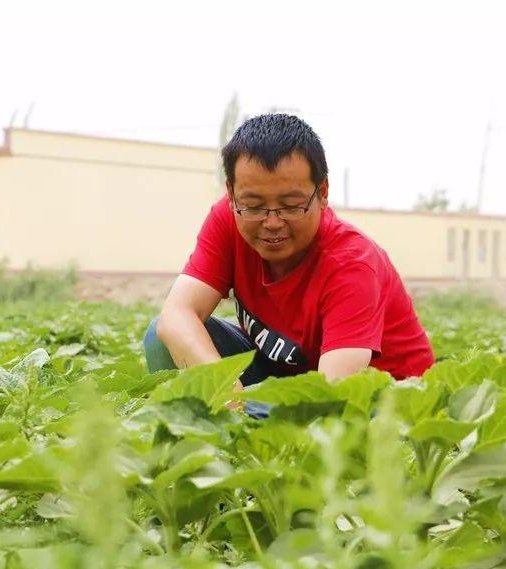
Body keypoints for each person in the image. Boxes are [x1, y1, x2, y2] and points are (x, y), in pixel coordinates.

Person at [144, 113, 434, 405]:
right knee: (161, 337)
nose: (272, 222)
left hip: (384, 400)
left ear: (322, 192)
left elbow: (331, 399)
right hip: (288, 376)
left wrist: (239, 411)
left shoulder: (351, 263)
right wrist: (228, 394)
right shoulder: (228, 219)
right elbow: (176, 315)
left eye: (291, 206)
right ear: (231, 194)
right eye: (254, 206)